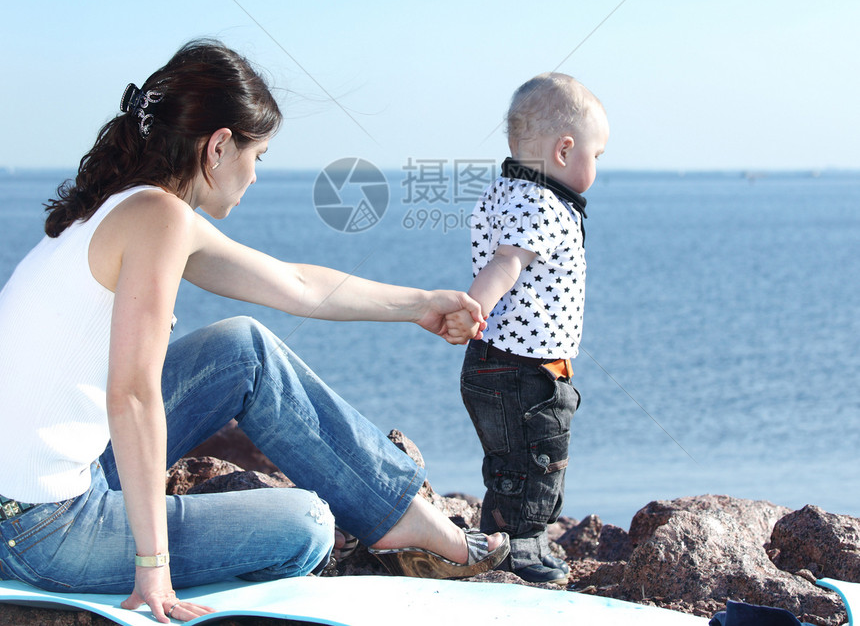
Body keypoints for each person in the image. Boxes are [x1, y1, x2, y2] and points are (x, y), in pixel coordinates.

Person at [0, 38, 508, 623]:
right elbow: (134, 393)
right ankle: (396, 522)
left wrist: (420, 304)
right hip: (42, 530)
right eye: (258, 156)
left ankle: (398, 519)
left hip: (39, 495)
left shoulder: (128, 207)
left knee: (244, 348)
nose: (256, 176)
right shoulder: (158, 219)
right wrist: (152, 569)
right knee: (310, 525)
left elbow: (296, 284)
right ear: (219, 146)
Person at [445, 72, 609, 585]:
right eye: (596, 155)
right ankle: (521, 551)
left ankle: (498, 540)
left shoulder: (505, 191)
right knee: (537, 460)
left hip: (496, 362)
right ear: (564, 150)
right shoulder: (541, 203)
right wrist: (474, 306)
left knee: (511, 461)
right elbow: (506, 263)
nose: (597, 166)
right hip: (523, 369)